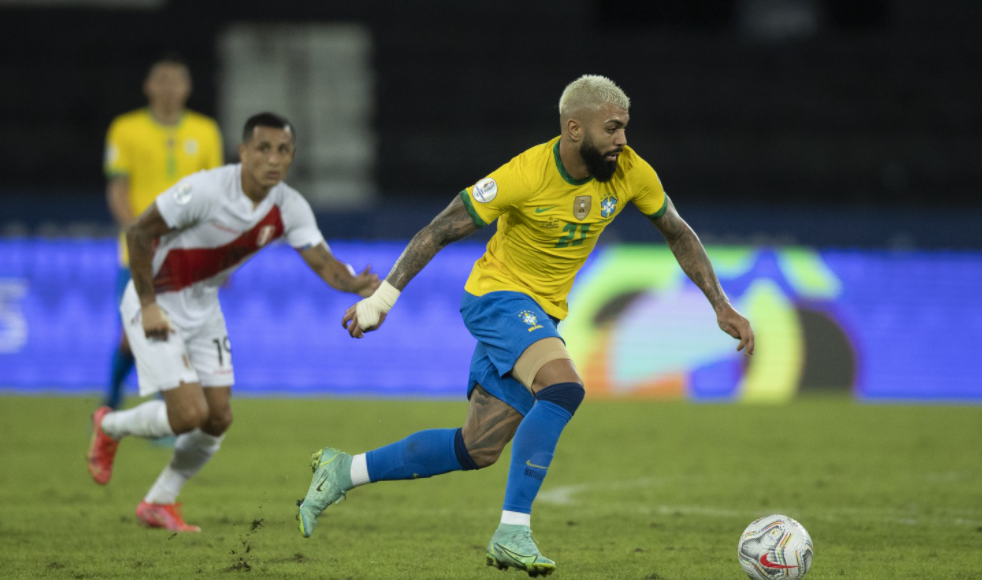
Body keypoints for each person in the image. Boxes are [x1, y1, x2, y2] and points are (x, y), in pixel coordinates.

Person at [295, 75, 755, 576]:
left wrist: (721, 304)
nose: (622, 139)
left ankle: (343, 470)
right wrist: (383, 299)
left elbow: (678, 232)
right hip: (496, 298)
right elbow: (441, 228)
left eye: (625, 128)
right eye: (613, 128)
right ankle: (513, 531)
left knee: (476, 447)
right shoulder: (526, 174)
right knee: (563, 388)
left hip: (541, 313)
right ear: (575, 129)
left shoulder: (631, 171)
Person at [87, 112, 380, 532]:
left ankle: (159, 501)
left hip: (203, 305)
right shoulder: (206, 189)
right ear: (243, 152)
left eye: (283, 151)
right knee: (188, 414)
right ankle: (109, 424)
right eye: (263, 148)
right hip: (154, 297)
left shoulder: (289, 206)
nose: (273, 159)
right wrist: (148, 304)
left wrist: (353, 283)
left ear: (292, 157)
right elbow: (138, 233)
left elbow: (321, 258)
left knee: (218, 417)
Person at [102, 54, 224, 411]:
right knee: (132, 335)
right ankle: (110, 398)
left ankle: (167, 411)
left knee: (177, 333)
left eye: (176, 80)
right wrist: (136, 233)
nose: (169, 87)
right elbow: (117, 188)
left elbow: (213, 195)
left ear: (188, 88)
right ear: (148, 86)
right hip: (139, 252)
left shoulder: (205, 131)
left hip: (186, 252)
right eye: (162, 80)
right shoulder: (125, 129)